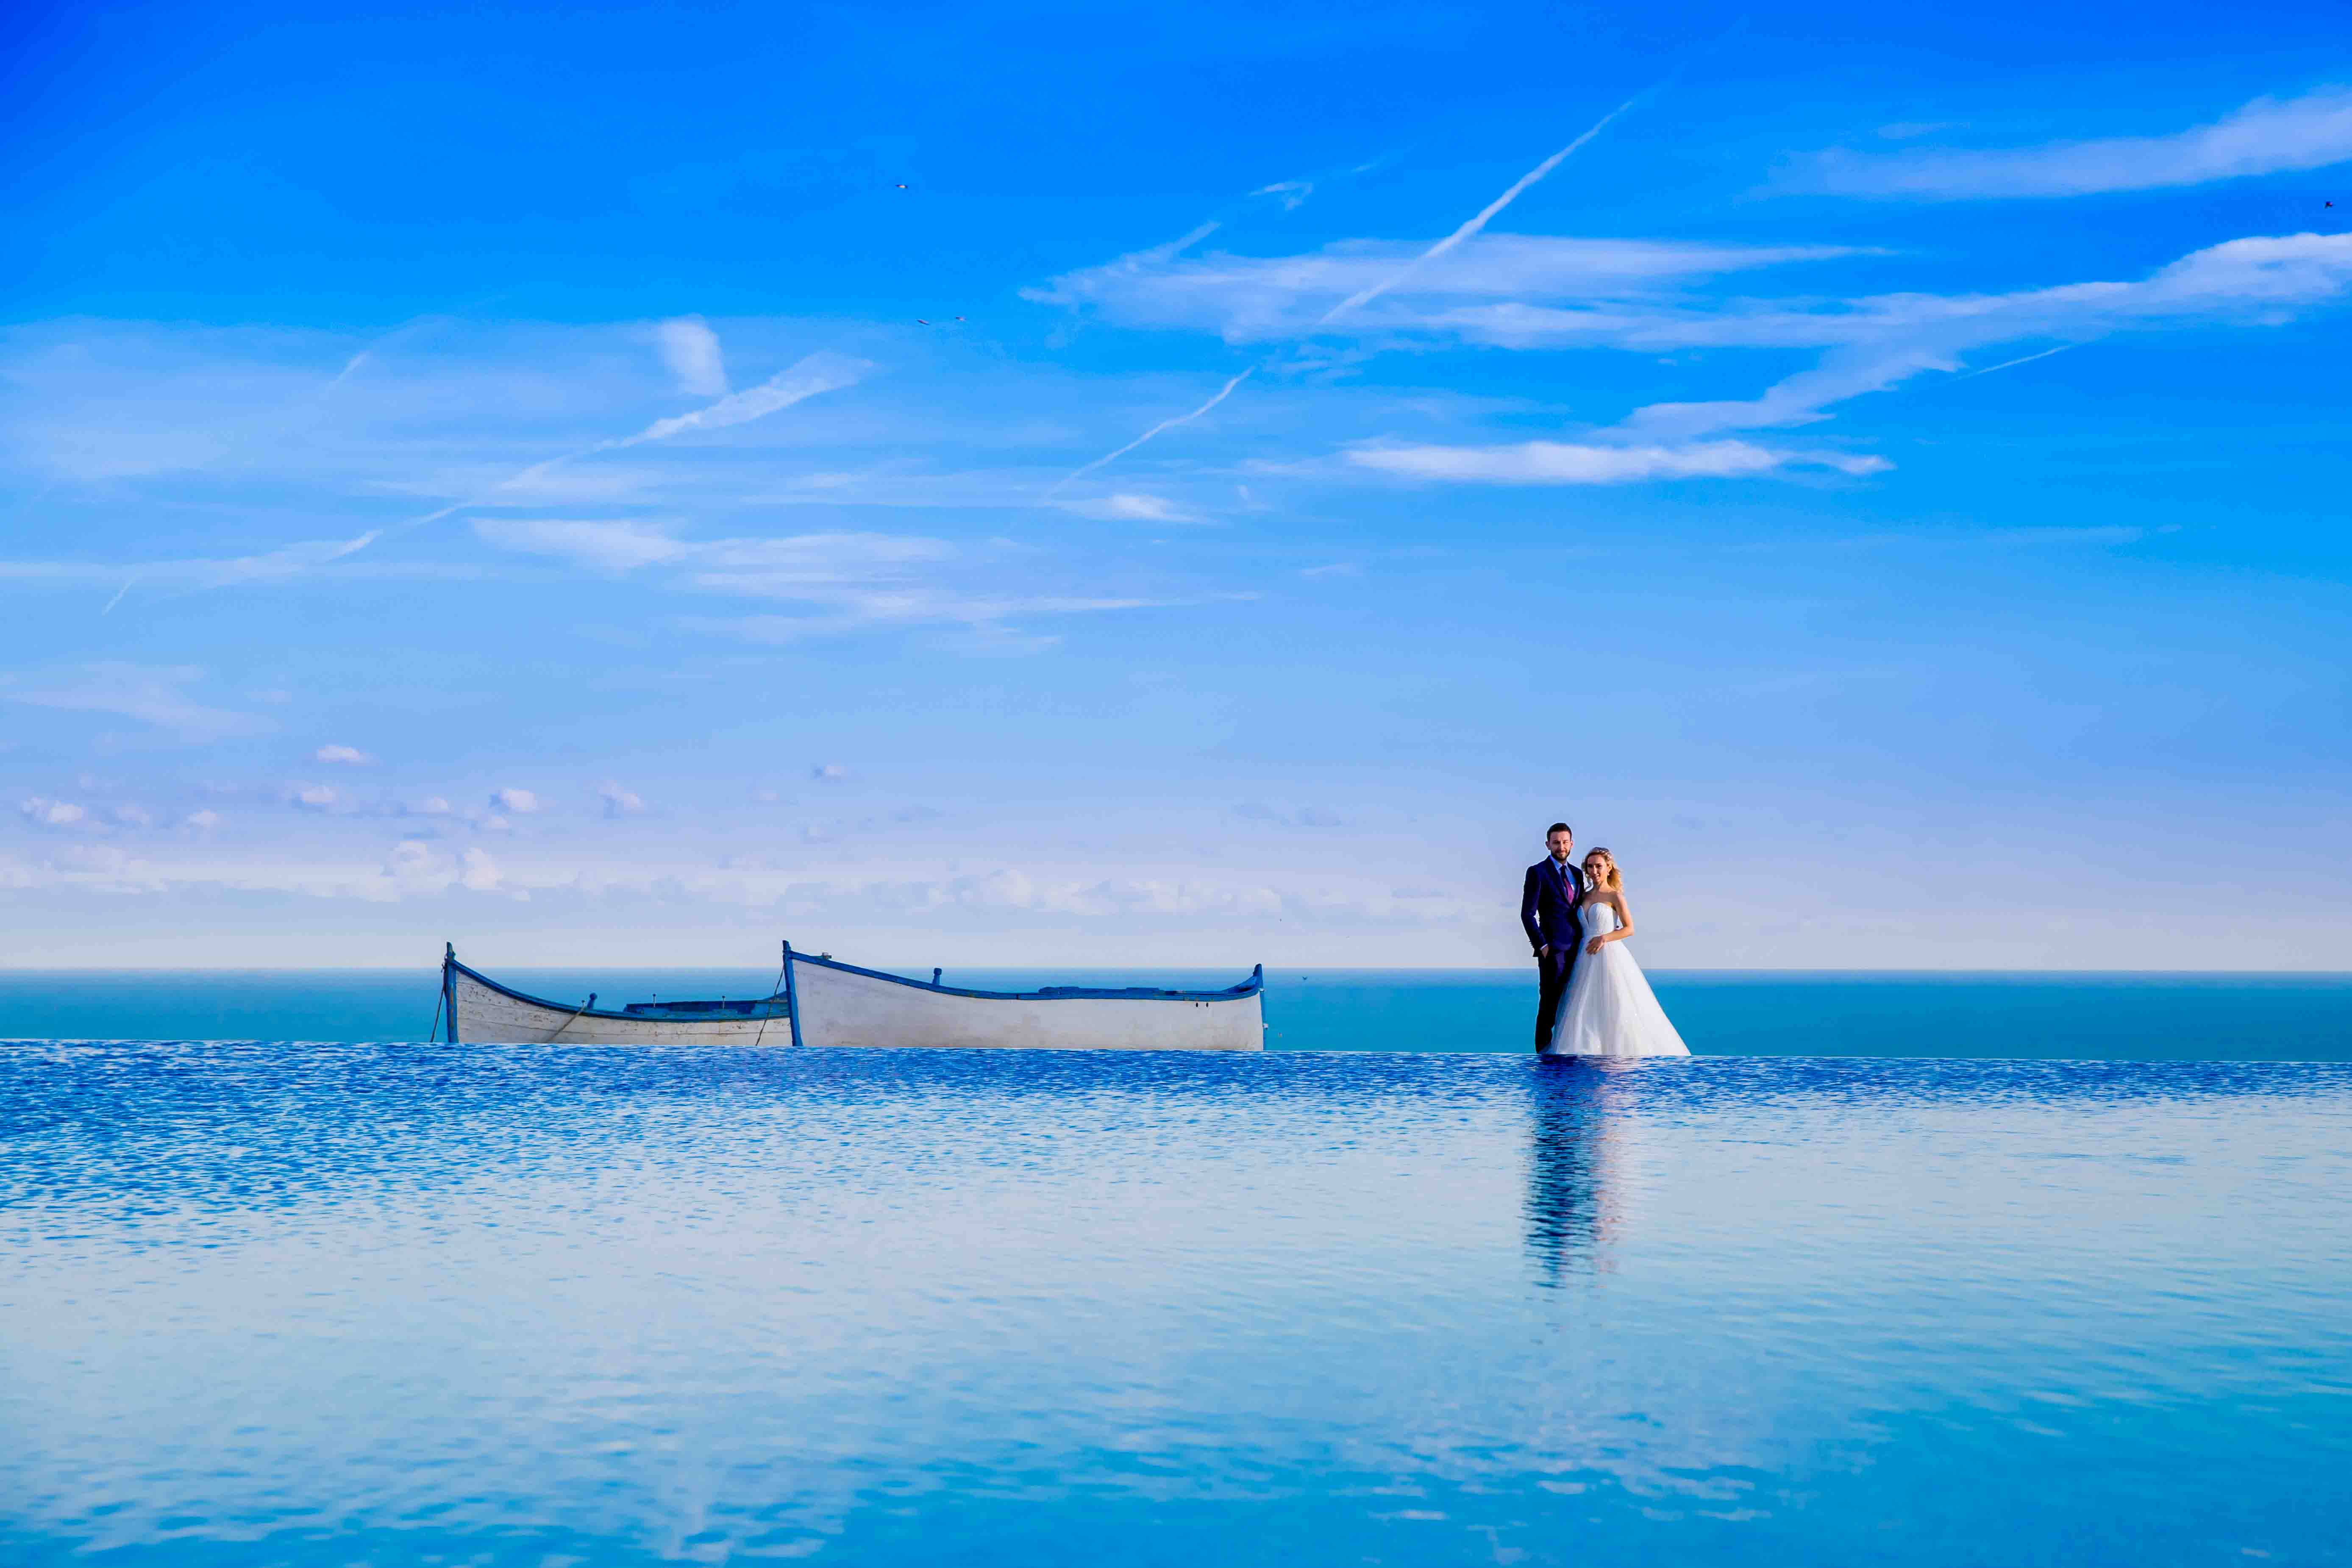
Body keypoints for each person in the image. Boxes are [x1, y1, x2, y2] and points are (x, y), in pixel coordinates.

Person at [1546, 848, 1690, 1058]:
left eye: (1599, 866)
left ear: (1609, 868)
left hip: (1608, 955)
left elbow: (1629, 928)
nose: (1594, 871)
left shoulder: (1615, 896)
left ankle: (1617, 1054)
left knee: (1615, 1002)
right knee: (1584, 1009)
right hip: (1584, 957)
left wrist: (1605, 938)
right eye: (1590, 866)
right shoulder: (1583, 896)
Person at [1519, 823, 1585, 1053]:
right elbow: (1527, 914)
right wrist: (1543, 946)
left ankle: (1569, 1053)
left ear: (1572, 844)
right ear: (1548, 844)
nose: (1561, 846)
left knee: (1575, 1002)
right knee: (1549, 1005)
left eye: (1565, 842)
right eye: (1556, 842)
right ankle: (1543, 1058)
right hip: (1553, 952)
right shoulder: (1537, 872)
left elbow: (1580, 909)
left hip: (1579, 950)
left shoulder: (1578, 874)